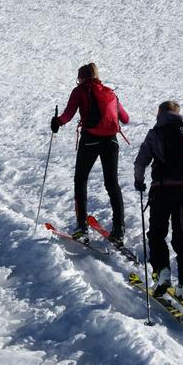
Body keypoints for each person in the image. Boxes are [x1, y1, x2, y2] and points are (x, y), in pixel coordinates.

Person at [50, 62, 130, 245]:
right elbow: (125, 119)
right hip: (111, 141)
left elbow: (68, 115)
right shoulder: (110, 92)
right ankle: (119, 228)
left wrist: (57, 122)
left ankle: (82, 226)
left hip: (90, 140)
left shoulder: (79, 91)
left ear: (81, 77)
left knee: (81, 179)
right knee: (112, 184)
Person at [133, 100, 183, 303]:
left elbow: (141, 161)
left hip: (162, 189)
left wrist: (139, 181)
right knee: (181, 235)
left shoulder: (156, 132)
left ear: (160, 114)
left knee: (156, 233)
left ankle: (162, 273)